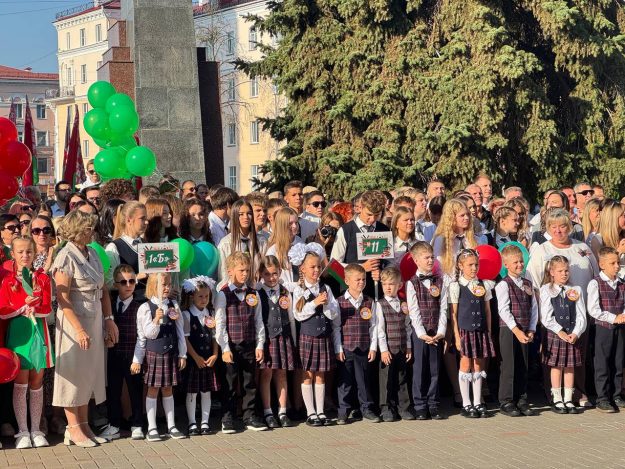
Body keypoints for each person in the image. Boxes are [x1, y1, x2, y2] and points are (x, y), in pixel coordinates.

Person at [52, 210, 117, 447]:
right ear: (76, 230)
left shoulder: (93, 253)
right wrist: (78, 330)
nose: (92, 231)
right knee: (73, 374)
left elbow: (104, 289)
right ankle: (72, 427)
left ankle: (84, 424)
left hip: (95, 316)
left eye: (92, 227)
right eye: (87, 228)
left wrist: (109, 319)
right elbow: (63, 298)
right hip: (74, 321)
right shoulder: (65, 256)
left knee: (89, 372)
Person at [0, 236, 53, 448]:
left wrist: (36, 308)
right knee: (20, 382)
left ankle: (36, 429)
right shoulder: (8, 281)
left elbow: (47, 308)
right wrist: (23, 307)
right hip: (19, 334)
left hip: (39, 331)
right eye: (20, 252)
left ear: (35, 253)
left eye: (29, 252)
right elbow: (3, 311)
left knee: (37, 381)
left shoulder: (42, 278)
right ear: (12, 254)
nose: (25, 255)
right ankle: (22, 431)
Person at [214, 252, 267, 433]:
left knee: (249, 382)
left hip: (250, 344)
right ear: (230, 271)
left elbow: (258, 320)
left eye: (247, 270)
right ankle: (227, 417)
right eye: (241, 270)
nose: (245, 274)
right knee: (229, 383)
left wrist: (260, 344)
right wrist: (225, 348)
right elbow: (220, 323)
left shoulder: (253, 293)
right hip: (231, 345)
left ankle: (249, 416)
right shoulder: (223, 295)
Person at [132, 273, 187, 442]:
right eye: (163, 284)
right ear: (153, 286)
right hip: (154, 354)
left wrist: (183, 353)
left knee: (168, 389)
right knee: (153, 390)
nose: (167, 288)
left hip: (170, 353)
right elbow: (146, 335)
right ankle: (152, 427)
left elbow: (180, 331)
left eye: (169, 284)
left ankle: (171, 426)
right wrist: (156, 319)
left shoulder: (173, 305)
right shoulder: (145, 307)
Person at [292, 244, 338, 426]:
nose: (316, 270)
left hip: (323, 336)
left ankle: (320, 411)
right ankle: (310, 412)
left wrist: (326, 305)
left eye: (319, 266)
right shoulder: (299, 289)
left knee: (321, 374)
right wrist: (314, 303)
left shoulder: (326, 288)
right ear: (303, 269)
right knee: (308, 374)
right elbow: (298, 314)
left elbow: (334, 313)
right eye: (312, 267)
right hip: (308, 336)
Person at [99, 265, 144, 441]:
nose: (128, 285)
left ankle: (138, 424)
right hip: (114, 353)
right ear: (116, 284)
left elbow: (142, 335)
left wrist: (137, 359)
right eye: (124, 282)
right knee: (113, 390)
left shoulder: (140, 305)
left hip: (133, 354)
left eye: (132, 281)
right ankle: (114, 424)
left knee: (135, 390)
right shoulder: (110, 303)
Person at [450, 249, 496, 418]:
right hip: (465, 330)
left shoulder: (484, 285)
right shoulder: (456, 286)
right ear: (460, 266)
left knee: (478, 365)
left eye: (476, 264)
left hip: (480, 330)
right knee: (465, 364)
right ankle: (466, 403)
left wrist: (488, 331)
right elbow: (453, 314)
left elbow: (488, 311)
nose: (474, 268)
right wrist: (456, 336)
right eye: (470, 265)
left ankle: (477, 402)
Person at [405, 242, 448, 420]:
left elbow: (443, 308)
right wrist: (422, 334)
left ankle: (433, 404)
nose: (430, 260)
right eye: (426, 258)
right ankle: (420, 405)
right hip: (420, 333)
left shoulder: (440, 281)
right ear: (416, 260)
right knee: (419, 370)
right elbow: (414, 312)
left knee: (434, 369)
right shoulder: (411, 283)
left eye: (432, 257)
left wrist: (441, 331)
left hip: (436, 332)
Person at [540, 255, 587, 414]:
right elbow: (546, 316)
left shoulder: (576, 290)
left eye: (566, 270)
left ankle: (568, 398)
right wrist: (560, 331)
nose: (564, 273)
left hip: (572, 335)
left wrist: (576, 333)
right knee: (557, 366)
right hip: (556, 334)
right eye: (560, 271)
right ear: (552, 272)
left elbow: (581, 315)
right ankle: (557, 398)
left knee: (570, 367)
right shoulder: (546, 290)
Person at [495, 245, 538, 417]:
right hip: (509, 330)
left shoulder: (527, 283)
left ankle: (521, 399)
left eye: (521, 261)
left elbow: (534, 307)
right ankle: (506, 401)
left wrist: (532, 328)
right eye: (515, 262)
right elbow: (504, 310)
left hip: (525, 329)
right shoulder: (503, 285)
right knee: (509, 365)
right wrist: (516, 330)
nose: (520, 264)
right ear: (506, 264)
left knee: (523, 365)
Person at [335, 264, 379, 425]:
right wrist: (338, 348)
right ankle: (343, 411)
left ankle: (366, 408)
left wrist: (373, 347)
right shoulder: (339, 302)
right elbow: (336, 327)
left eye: (364, 279)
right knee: (345, 381)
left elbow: (374, 326)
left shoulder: (369, 301)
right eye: (357, 279)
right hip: (346, 347)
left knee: (364, 381)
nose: (361, 282)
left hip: (363, 346)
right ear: (347, 281)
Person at [257, 256, 297, 428]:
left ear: (280, 272)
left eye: (274, 273)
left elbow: (291, 318)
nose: (271, 278)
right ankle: (267, 411)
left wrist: (294, 341)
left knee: (282, 374)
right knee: (266, 374)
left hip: (283, 337)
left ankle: (282, 411)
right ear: (261, 274)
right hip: (267, 339)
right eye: (267, 274)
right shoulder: (258, 293)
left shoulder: (285, 292)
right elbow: (258, 320)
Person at [587, 247, 625, 412]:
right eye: (612, 263)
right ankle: (602, 398)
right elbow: (593, 309)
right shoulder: (595, 283)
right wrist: (613, 317)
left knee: (618, 361)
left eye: (618, 263)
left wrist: (623, 316)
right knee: (602, 363)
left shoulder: (621, 283)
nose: (617, 266)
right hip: (603, 328)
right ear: (602, 264)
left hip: (621, 327)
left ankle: (616, 395)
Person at [330, 190, 389, 297]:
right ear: (360, 207)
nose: (372, 219)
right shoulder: (346, 230)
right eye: (369, 214)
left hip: (378, 293)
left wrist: (383, 273)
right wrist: (361, 267)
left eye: (377, 215)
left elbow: (390, 262)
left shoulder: (384, 230)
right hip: (351, 295)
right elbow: (334, 266)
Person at [181, 276, 220, 436]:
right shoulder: (186, 314)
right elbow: (185, 339)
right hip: (194, 360)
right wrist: (195, 357)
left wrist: (215, 354)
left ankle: (205, 422)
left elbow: (215, 336)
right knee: (192, 392)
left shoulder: (211, 313)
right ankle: (192, 422)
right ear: (192, 296)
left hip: (208, 358)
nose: (204, 299)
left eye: (206, 296)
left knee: (206, 391)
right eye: (200, 296)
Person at [375, 267, 413, 422]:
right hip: (388, 350)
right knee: (387, 381)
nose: (388, 287)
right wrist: (383, 350)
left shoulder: (404, 304)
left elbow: (408, 327)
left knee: (402, 379)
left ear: (399, 285)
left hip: (402, 348)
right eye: (384, 284)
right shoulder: (380, 304)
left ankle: (403, 408)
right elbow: (380, 329)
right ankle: (386, 409)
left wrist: (409, 346)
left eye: (391, 284)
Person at [217, 199, 265, 285]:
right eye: (241, 214)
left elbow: (265, 269)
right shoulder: (226, 243)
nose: (246, 217)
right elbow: (223, 275)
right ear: (235, 216)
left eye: (249, 213)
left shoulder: (261, 241)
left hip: (257, 288)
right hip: (234, 289)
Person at [105, 201, 149, 294]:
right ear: (129, 220)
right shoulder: (114, 247)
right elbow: (109, 283)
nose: (146, 222)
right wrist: (135, 278)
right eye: (142, 218)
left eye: (146, 218)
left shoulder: (146, 244)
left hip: (149, 300)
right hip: (128, 301)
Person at [431, 198, 479, 277]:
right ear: (451, 218)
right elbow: (437, 266)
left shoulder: (475, 239)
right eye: (462, 215)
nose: (466, 218)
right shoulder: (441, 240)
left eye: (467, 214)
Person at [265, 207, 303, 289]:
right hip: (284, 293)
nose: (294, 226)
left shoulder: (301, 243)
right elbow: (272, 280)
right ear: (282, 225)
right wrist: (296, 285)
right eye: (290, 223)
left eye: (296, 222)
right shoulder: (272, 252)